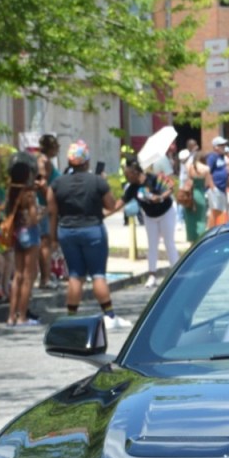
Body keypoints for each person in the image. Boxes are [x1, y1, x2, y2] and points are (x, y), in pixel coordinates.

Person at [47, 140, 130, 329]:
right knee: (98, 274)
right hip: (93, 230)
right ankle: (109, 315)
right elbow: (110, 205)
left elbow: (52, 212)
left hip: (66, 231)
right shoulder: (96, 181)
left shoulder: (57, 183)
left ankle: (70, 316)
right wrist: (107, 186)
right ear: (86, 162)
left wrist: (52, 238)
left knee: (75, 274)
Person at [111, 160, 178, 288]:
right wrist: (107, 211)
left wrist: (160, 197)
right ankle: (152, 275)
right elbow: (121, 202)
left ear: (135, 172)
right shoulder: (132, 188)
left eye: (127, 175)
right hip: (150, 217)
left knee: (169, 242)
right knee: (152, 244)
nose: (126, 178)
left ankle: (175, 272)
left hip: (166, 213)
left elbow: (170, 187)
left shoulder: (153, 178)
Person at [3, 163, 41, 326]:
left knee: (17, 275)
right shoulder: (29, 194)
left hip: (16, 232)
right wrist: (42, 214)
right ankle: (22, 316)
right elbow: (33, 219)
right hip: (30, 234)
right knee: (28, 276)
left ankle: (11, 316)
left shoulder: (10, 191)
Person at [35, 134, 61, 290]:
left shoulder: (42, 160)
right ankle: (45, 278)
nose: (58, 149)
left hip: (45, 205)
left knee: (46, 242)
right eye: (56, 146)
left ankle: (46, 275)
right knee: (46, 242)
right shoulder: (44, 162)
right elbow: (42, 183)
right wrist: (50, 199)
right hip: (45, 206)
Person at [180, 146, 209, 243]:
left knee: (190, 219)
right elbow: (207, 184)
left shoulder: (189, 167)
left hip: (191, 194)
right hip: (200, 193)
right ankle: (201, 239)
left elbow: (188, 181)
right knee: (201, 218)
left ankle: (192, 240)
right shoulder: (206, 168)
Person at [206, 137, 229, 228]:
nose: (224, 147)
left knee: (222, 211)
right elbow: (207, 171)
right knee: (215, 211)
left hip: (222, 188)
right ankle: (209, 232)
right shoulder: (212, 157)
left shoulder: (222, 157)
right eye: (221, 145)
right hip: (216, 187)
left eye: (224, 145)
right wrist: (212, 186)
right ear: (215, 147)